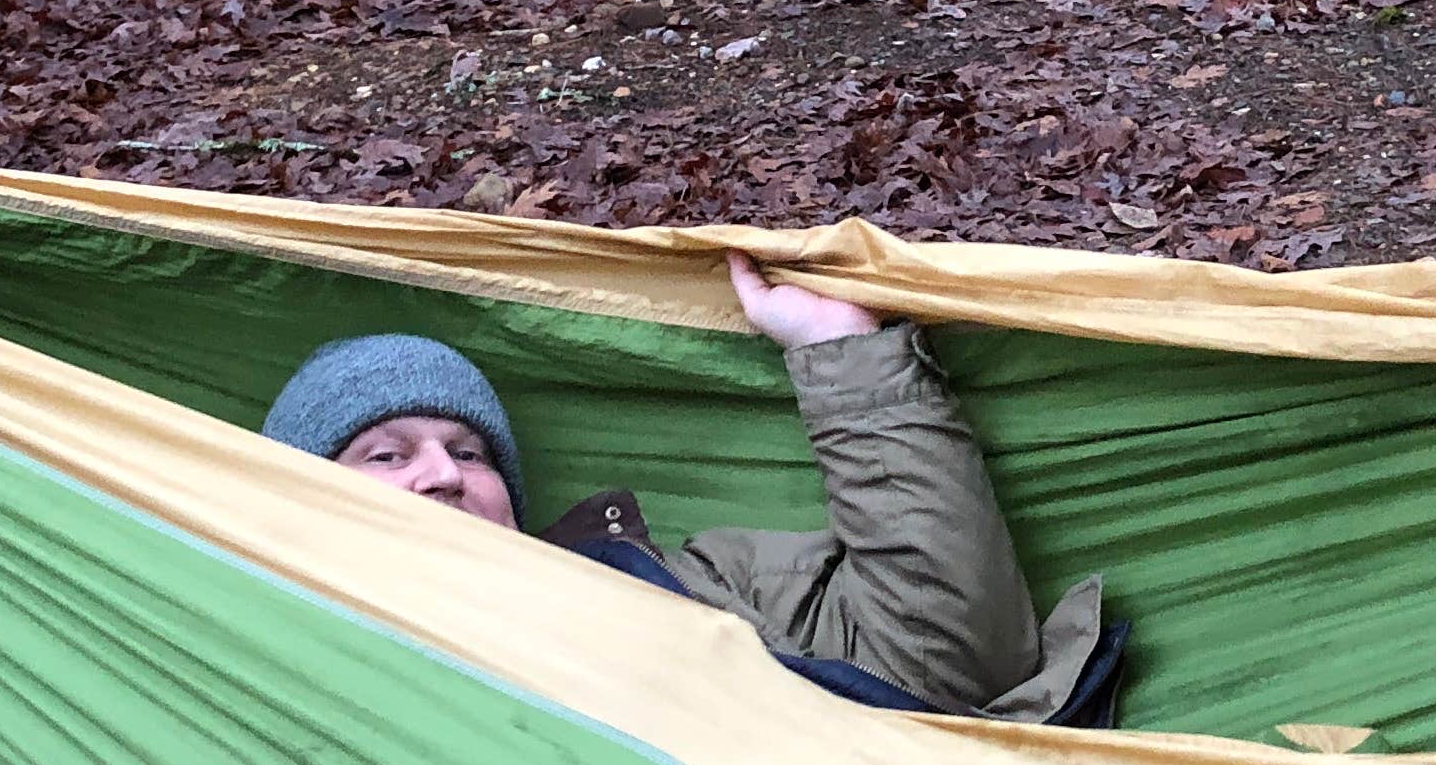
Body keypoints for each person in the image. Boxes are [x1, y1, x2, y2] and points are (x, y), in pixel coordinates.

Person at [261, 254, 1117, 723]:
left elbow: (951, 661)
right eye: (386, 455)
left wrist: (841, 355)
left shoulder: (701, 582)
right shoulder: (270, 689)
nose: (445, 473)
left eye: (470, 450)